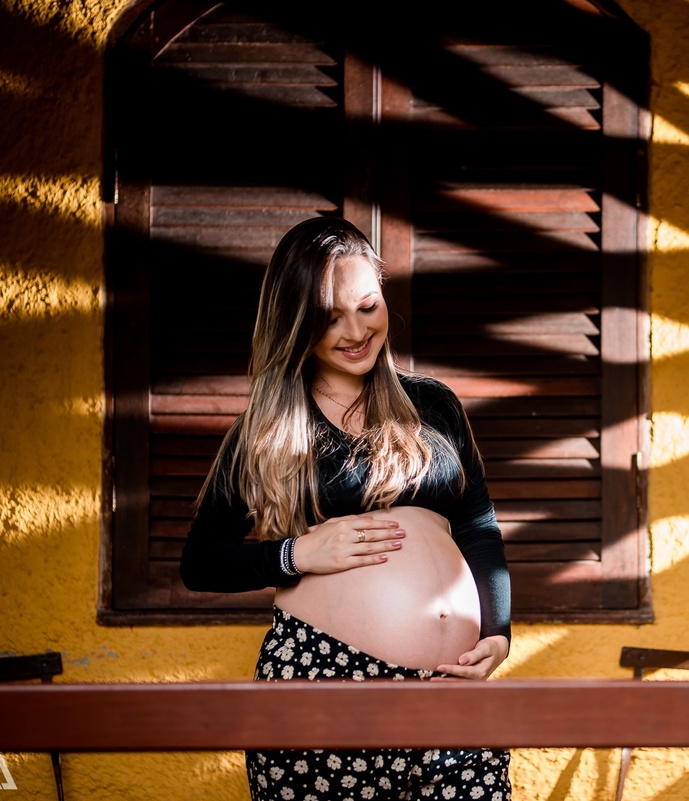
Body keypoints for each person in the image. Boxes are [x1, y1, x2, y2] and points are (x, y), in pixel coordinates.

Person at [179, 216, 512, 801]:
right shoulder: (266, 431)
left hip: (452, 685)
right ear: (296, 322)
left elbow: (478, 528)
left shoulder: (433, 405)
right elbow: (201, 561)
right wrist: (295, 553)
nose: (356, 331)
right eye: (330, 316)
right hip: (321, 677)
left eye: (367, 306)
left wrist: (498, 632)